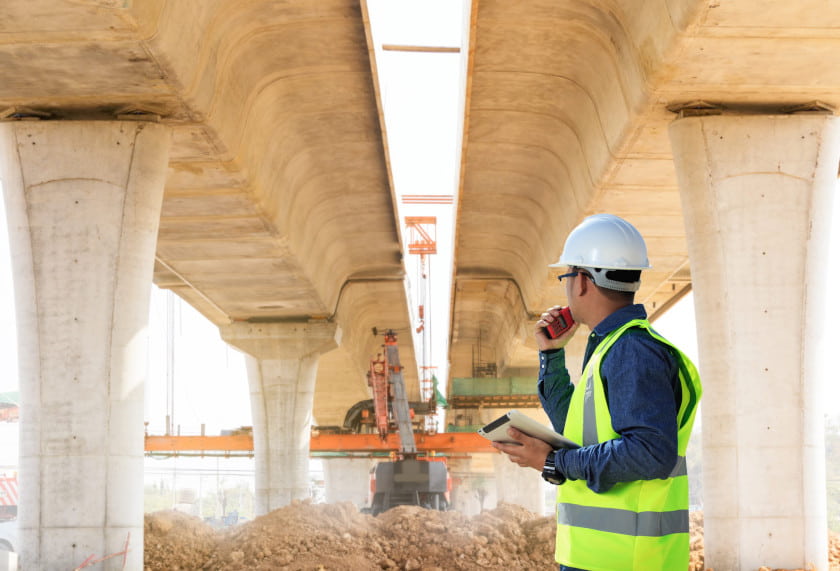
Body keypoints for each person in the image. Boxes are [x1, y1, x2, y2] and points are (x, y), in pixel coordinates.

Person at [492, 213, 702, 571]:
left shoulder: (632, 351)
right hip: (601, 559)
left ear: (583, 282)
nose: (567, 287)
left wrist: (553, 461)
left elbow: (651, 453)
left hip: (625, 563)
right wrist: (551, 356)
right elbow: (575, 428)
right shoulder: (613, 348)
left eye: (567, 276)